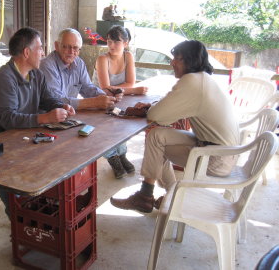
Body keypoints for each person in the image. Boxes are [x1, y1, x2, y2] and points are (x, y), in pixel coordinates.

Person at [110, 40, 240, 213]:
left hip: (215, 159)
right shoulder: (203, 79)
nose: (172, 62)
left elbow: (157, 116)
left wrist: (152, 109)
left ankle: (147, 197)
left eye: (177, 58)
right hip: (222, 152)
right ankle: (167, 194)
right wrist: (154, 107)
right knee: (157, 136)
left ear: (190, 61)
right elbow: (170, 108)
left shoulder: (192, 81)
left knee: (156, 141)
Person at [0, 27, 75, 217]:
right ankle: (19, 215)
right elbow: (8, 119)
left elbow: (48, 100)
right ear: (27, 52)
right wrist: (45, 118)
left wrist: (62, 106)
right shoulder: (4, 78)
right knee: (10, 171)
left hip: (17, 134)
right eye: (40, 48)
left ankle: (39, 204)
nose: (43, 52)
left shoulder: (36, 74)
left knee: (54, 155)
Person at [93, 25, 148, 179]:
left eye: (116, 42)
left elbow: (130, 82)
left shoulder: (128, 56)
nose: (111, 45)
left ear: (126, 42)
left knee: (121, 127)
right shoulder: (102, 59)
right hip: (100, 102)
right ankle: (112, 157)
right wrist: (135, 91)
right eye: (109, 41)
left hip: (121, 100)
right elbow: (105, 89)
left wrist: (124, 89)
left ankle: (122, 155)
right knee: (106, 129)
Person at [39, 28, 121, 111]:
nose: (71, 52)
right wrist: (94, 102)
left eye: (75, 48)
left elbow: (87, 87)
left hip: (69, 115)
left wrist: (106, 95)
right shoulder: (47, 66)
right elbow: (56, 101)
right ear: (56, 46)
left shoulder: (78, 63)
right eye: (66, 47)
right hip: (48, 118)